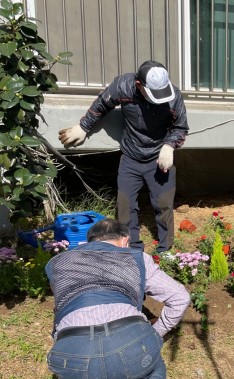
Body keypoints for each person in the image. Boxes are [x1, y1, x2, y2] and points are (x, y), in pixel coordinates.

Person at [58, 60, 188, 253]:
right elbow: (102, 104)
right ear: (139, 85)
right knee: (125, 207)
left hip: (159, 158)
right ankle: (132, 250)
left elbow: (181, 127)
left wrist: (169, 146)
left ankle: (166, 250)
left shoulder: (173, 95)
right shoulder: (123, 87)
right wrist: (83, 127)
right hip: (131, 157)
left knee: (164, 206)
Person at [45, 218, 190, 378]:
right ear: (125, 240)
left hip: (73, 349)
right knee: (154, 369)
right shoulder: (136, 257)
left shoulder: (58, 263)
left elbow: (60, 309)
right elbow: (180, 297)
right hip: (130, 342)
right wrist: (156, 332)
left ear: (90, 241)